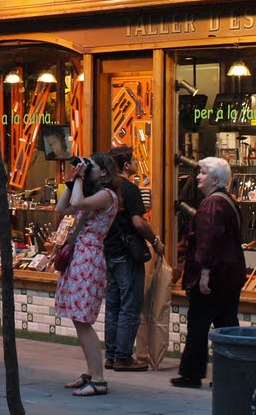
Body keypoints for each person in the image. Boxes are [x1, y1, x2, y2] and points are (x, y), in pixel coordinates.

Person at [171, 156, 246, 389]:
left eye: (202, 173)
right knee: (227, 325)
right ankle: (231, 375)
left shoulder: (212, 203)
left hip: (214, 277)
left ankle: (191, 375)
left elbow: (208, 239)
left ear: (215, 178)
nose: (198, 177)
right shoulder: (228, 201)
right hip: (230, 275)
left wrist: (204, 272)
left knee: (198, 324)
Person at [55, 153, 119, 397]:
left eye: (91, 167)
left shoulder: (107, 196)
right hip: (79, 257)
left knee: (83, 320)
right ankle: (91, 373)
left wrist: (80, 179)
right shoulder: (91, 194)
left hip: (88, 258)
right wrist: (72, 180)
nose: (86, 169)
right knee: (78, 319)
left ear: (103, 172)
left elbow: (79, 203)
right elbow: (61, 208)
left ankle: (99, 380)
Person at [103, 146, 164, 372]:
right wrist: (156, 240)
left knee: (113, 305)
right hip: (128, 254)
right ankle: (123, 357)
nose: (137, 162)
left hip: (109, 251)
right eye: (135, 159)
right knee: (129, 306)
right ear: (126, 165)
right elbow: (138, 222)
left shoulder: (105, 188)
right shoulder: (129, 189)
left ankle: (110, 355)